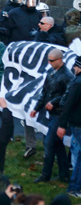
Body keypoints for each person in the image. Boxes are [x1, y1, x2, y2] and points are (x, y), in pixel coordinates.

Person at [31, 48, 74, 183]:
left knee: (49, 143)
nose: (49, 63)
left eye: (51, 60)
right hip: (53, 113)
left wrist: (54, 102)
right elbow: (45, 92)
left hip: (60, 115)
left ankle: (46, 174)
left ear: (60, 60)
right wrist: (36, 108)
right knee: (57, 145)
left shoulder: (67, 76)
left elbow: (69, 96)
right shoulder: (50, 72)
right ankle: (64, 174)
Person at [57, 56, 81, 197]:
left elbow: (67, 104)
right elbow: (67, 104)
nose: (73, 69)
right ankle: (75, 188)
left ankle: (74, 187)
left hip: (77, 123)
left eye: (76, 66)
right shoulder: (77, 82)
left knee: (77, 155)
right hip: (78, 124)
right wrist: (62, 125)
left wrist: (62, 124)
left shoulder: (77, 82)